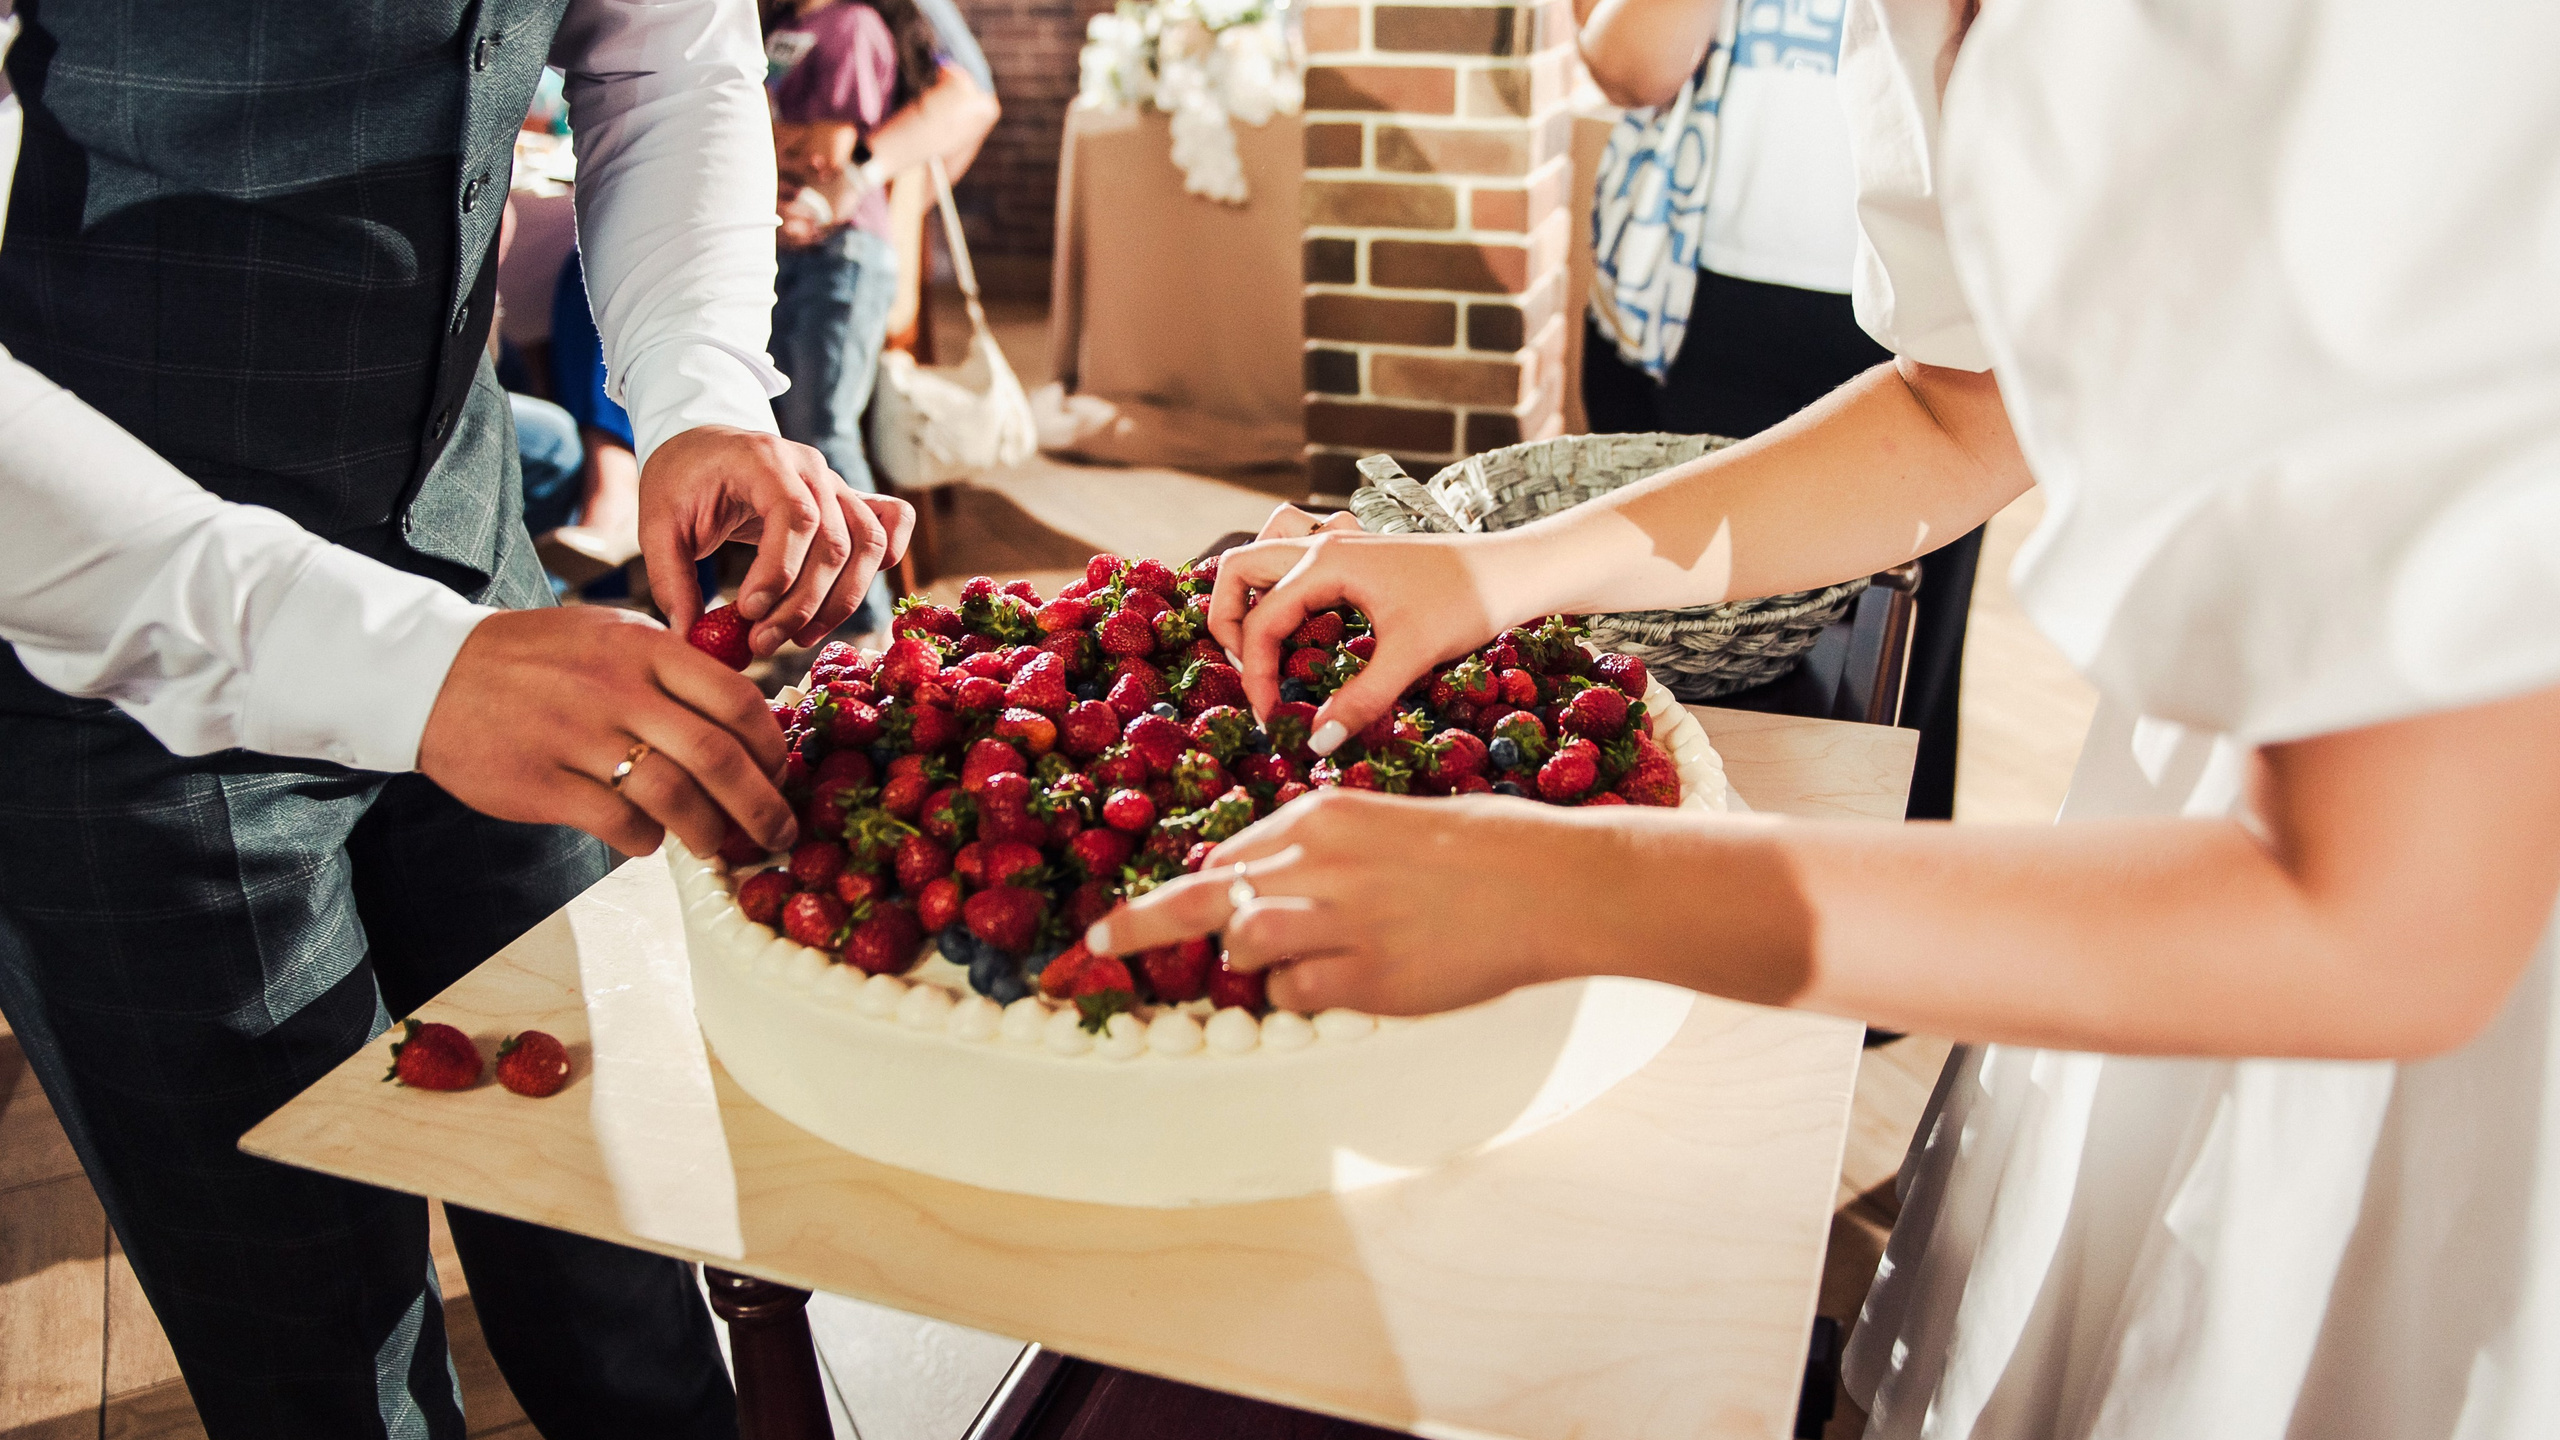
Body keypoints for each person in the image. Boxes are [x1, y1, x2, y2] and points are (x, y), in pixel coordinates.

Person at [1093, 1, 2560, 1434]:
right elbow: (1964, 411)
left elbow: (2383, 924)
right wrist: (1499, 570)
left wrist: (1552, 883)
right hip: (2228, 813)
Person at [0, 4, 911, 1437]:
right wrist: (400, 670)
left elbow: (658, 56)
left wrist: (698, 392)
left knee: (626, 1279)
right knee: (325, 1371)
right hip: (118, 669)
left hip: (484, 559)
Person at [1580, 0, 1980, 819]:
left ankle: (1891, 900)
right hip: (1702, 298)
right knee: (1672, 656)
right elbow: (1632, 64)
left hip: (1938, 309)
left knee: (1895, 673)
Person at [764, 0, 999, 635]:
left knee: (826, 428)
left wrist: (768, 140)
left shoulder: (853, 26)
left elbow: (827, 151)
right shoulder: (788, 26)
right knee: (795, 427)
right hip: (794, 250)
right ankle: (824, 612)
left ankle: (868, 626)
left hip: (841, 253)